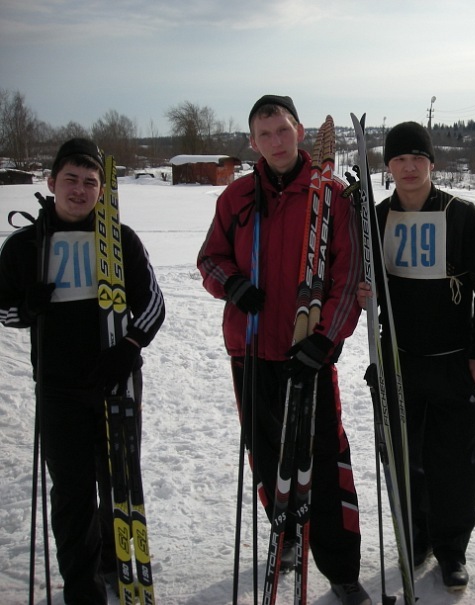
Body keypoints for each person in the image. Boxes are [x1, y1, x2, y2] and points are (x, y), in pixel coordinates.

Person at [197, 95, 370, 605]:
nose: (276, 141)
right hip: (250, 351)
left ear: (299, 131)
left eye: (283, 130)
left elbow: (348, 275)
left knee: (323, 458)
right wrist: (231, 283)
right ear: (253, 141)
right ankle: (286, 534)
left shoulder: (331, 196)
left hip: (307, 351)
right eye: (265, 133)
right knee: (267, 453)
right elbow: (210, 258)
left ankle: (340, 567)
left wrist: (325, 340)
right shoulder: (236, 197)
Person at [0, 138, 166, 604]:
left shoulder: (121, 240)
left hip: (116, 383)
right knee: (72, 493)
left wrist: (129, 347)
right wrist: (27, 308)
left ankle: (117, 565)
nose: (79, 189)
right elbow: (3, 310)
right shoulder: (24, 246)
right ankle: (83, 587)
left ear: (101, 189)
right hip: (58, 388)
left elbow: (153, 304)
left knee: (118, 483)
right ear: (51, 182)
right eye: (70, 179)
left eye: (90, 182)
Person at [357, 122, 475, 590]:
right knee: (404, 457)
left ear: (431, 163)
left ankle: (452, 548)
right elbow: (365, 278)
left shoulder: (461, 215)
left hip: (453, 361)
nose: (408, 167)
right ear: (388, 166)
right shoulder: (375, 218)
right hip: (399, 359)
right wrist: (364, 292)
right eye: (399, 159)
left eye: (417, 158)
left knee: (454, 460)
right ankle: (417, 537)